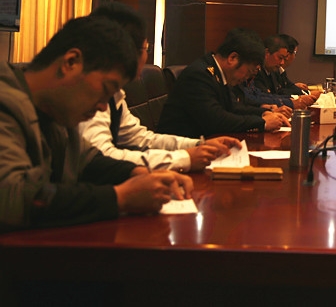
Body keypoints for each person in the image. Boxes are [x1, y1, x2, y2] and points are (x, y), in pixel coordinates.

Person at [0, 16, 193, 231]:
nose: (103, 107)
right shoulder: (6, 101)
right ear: (71, 62)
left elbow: (88, 160)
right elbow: (11, 198)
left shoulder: (56, 111)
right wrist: (120, 197)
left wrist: (138, 173)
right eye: (105, 89)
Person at [78, 2, 241, 172]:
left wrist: (200, 145)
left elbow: (140, 138)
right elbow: (100, 156)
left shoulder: (114, 92)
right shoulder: (88, 91)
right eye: (147, 48)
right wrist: (184, 158)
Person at [158, 28, 290, 138]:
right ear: (233, 58)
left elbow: (233, 107)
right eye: (249, 71)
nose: (246, 78)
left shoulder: (218, 72)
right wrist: (262, 123)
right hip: (179, 150)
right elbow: (216, 120)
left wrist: (263, 113)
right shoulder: (199, 75)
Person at [238, 34, 317, 111]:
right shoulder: (255, 74)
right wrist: (292, 102)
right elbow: (252, 99)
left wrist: (292, 100)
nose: (282, 62)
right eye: (280, 58)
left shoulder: (272, 71)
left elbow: (259, 95)